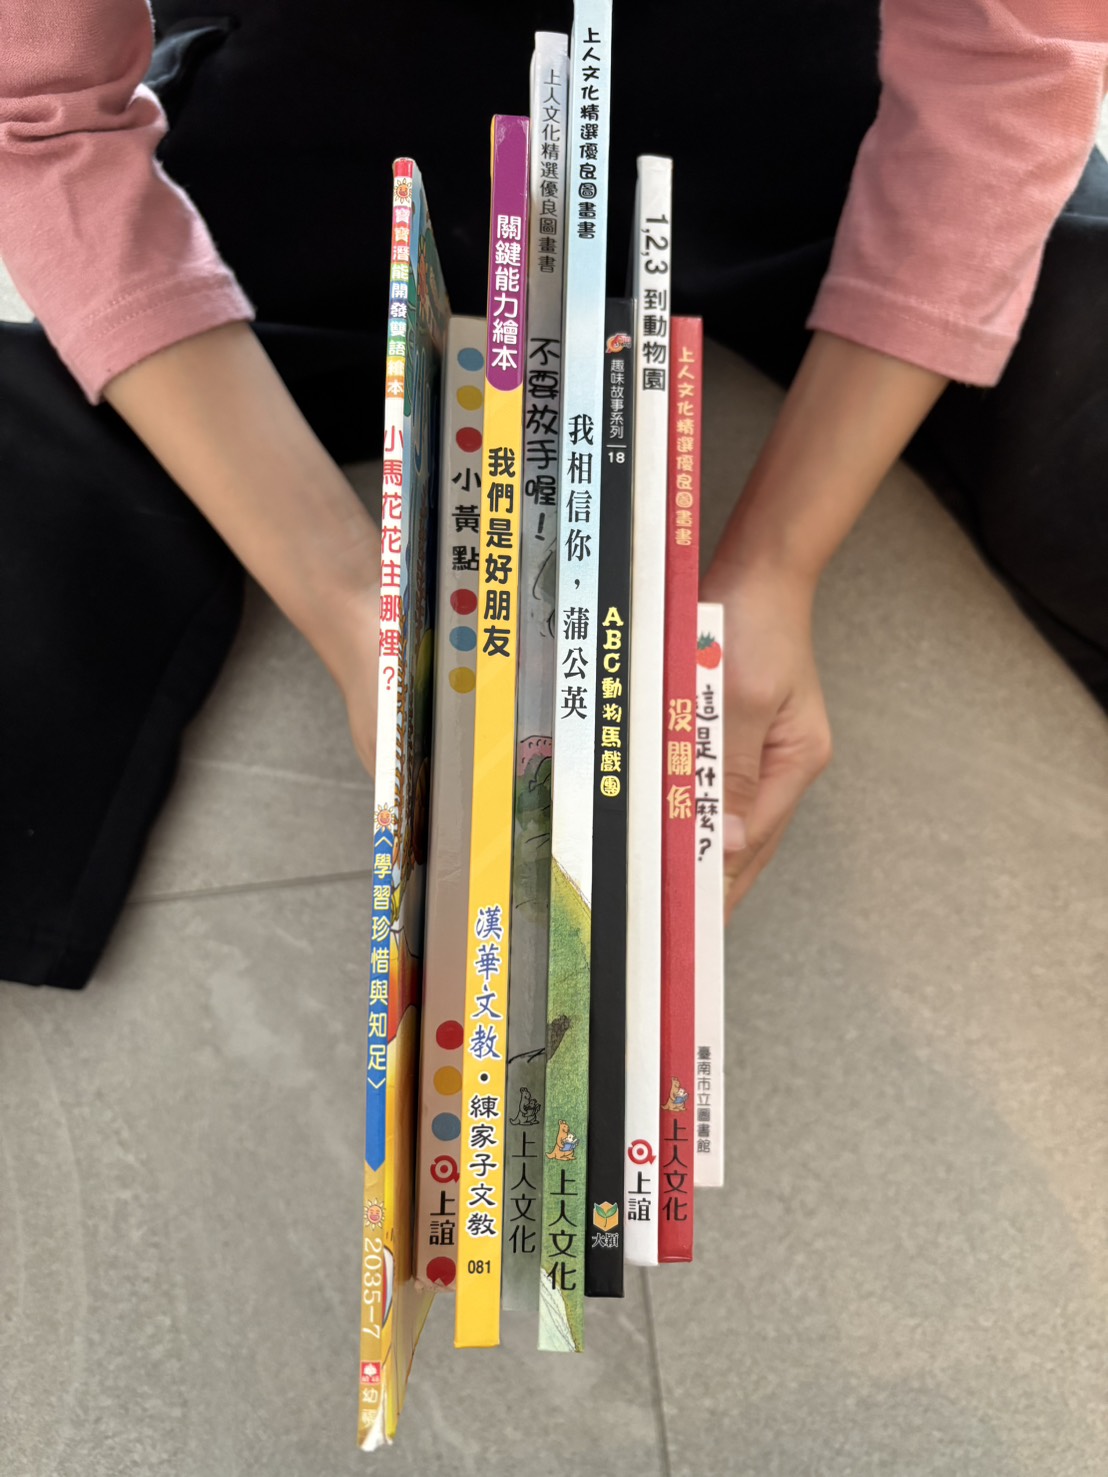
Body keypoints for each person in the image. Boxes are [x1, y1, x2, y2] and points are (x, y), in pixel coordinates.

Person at [1, 1, 1105, 987]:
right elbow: (42, 117)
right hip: (324, 147)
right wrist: (358, 608)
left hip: (813, 138)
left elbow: (1009, 59)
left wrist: (778, 560)